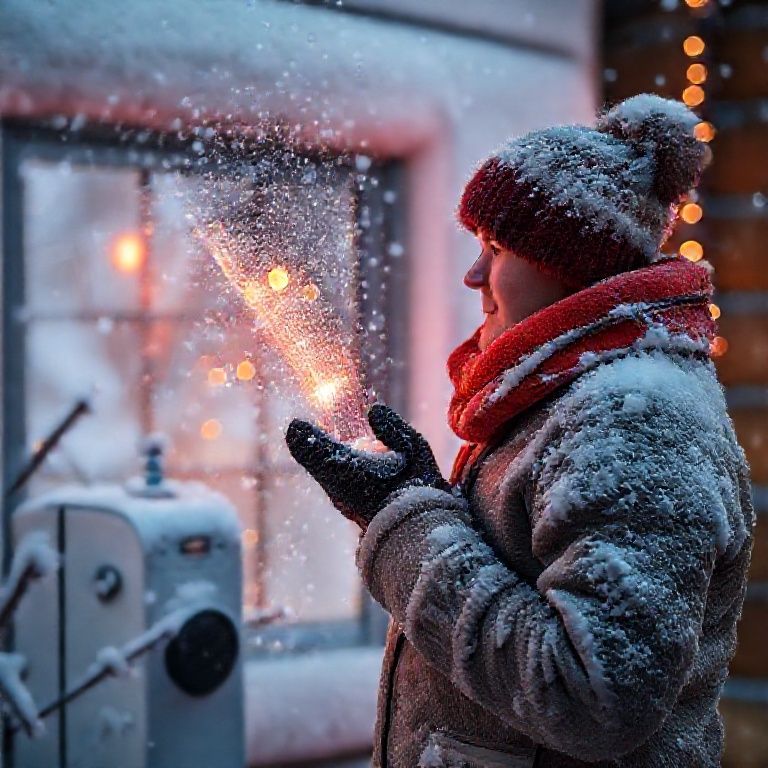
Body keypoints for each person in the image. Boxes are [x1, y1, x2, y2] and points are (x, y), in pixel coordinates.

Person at [285, 94, 754, 768]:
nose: (474, 274)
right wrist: (424, 502)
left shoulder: (634, 420)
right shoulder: (561, 393)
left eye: (496, 248)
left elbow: (593, 698)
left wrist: (408, 523)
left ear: (570, 264)